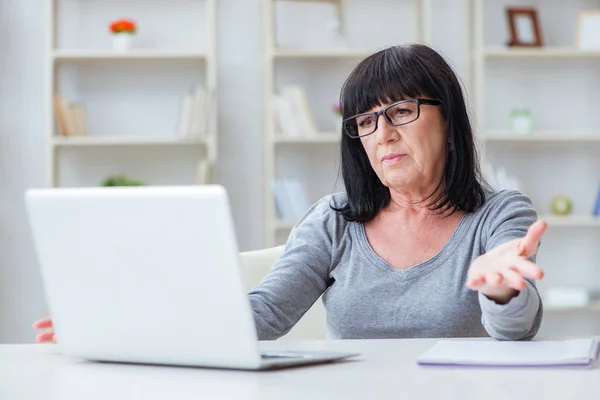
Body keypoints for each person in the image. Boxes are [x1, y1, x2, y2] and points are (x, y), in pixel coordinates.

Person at [33, 43, 545, 344]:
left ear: (449, 122)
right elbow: (261, 317)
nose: (383, 133)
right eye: (365, 120)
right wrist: (121, 327)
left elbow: (516, 334)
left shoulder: (499, 215)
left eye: (402, 111)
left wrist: (501, 290)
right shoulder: (334, 221)